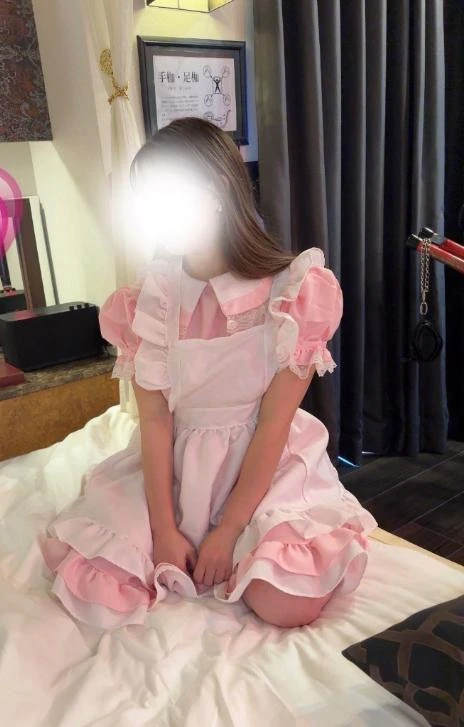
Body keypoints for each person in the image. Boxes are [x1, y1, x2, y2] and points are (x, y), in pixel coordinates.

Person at [42, 117, 377, 630]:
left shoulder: (294, 291)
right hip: (179, 463)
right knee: (104, 585)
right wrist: (164, 528)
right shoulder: (150, 300)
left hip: (263, 463)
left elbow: (274, 424)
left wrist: (228, 529)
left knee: (285, 600)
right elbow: (156, 421)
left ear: (218, 189)